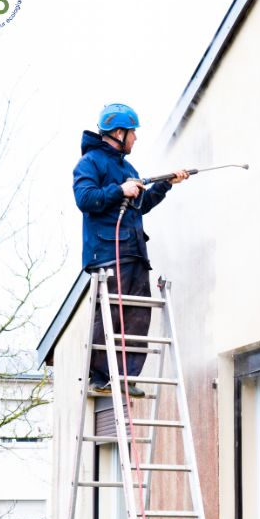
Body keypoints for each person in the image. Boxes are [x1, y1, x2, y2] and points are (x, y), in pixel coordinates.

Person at [73, 103, 189, 397]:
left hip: (135, 252)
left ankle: (125, 377)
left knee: (138, 315)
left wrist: (165, 185)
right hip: (108, 251)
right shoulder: (90, 163)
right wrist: (119, 190)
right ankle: (102, 377)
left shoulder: (128, 169)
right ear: (119, 132)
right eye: (133, 132)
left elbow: (142, 205)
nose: (136, 138)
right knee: (112, 312)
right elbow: (85, 199)